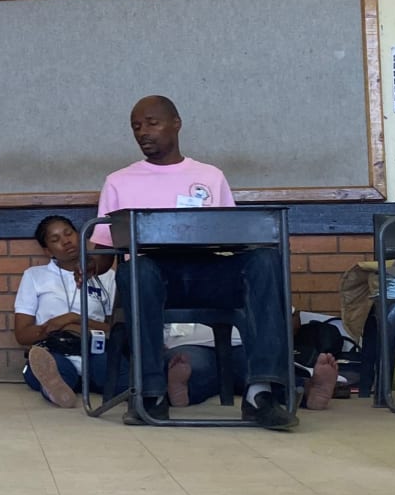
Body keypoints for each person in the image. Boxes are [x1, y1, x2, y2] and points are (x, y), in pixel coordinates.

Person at [95, 96, 300, 429]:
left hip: (208, 274)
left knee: (264, 259)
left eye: (152, 122)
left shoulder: (210, 176)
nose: (143, 132)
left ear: (176, 123)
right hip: (154, 278)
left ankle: (261, 393)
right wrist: (87, 264)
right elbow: (104, 251)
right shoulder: (119, 181)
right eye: (136, 126)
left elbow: (233, 236)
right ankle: (151, 394)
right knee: (136, 269)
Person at [13, 215, 114, 407]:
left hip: (95, 349)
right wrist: (53, 329)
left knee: (113, 371)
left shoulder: (107, 275)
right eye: (55, 239)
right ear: (47, 250)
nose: (66, 241)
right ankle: (58, 388)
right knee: (55, 367)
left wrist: (74, 319)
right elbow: (22, 335)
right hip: (54, 349)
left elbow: (115, 329)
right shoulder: (35, 276)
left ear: (79, 235)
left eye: (69, 234)